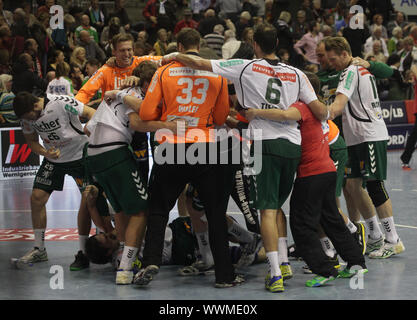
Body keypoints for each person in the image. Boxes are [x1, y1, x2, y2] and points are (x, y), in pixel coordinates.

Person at [161, 23, 330, 292]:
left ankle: (274, 273)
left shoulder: (245, 65)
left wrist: (171, 57)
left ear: (255, 45)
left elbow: (202, 63)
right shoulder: (298, 73)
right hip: (292, 147)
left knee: (267, 209)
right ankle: (284, 261)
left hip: (263, 143)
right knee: (277, 207)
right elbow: (321, 111)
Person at [134, 28, 242, 289]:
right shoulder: (215, 73)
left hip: (172, 147)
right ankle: (224, 276)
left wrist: (167, 113)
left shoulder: (163, 72)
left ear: (178, 46)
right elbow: (219, 118)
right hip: (206, 147)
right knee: (216, 213)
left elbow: (147, 113)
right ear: (199, 45)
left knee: (159, 208)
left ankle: (151, 261)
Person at [243, 72, 367, 287]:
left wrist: (256, 112)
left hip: (311, 174)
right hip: (327, 169)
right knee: (331, 219)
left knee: (301, 224)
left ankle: (324, 269)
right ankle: (356, 262)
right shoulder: (318, 107)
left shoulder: (302, 107)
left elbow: (283, 116)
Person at [82, 60, 180, 284]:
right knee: (141, 209)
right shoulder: (136, 95)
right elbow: (137, 124)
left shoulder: (116, 95)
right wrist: (170, 126)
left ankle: (126, 257)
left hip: (94, 156)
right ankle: (126, 268)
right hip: (114, 153)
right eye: (154, 84)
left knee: (122, 209)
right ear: (147, 82)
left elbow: (88, 128)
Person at [326, 37, 405, 259]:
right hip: (357, 138)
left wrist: (321, 114)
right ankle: (375, 235)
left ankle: (393, 240)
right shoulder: (357, 70)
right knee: (352, 186)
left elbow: (339, 106)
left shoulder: (351, 71)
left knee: (375, 186)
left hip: (369, 136)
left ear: (344, 53)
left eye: (333, 59)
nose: (331, 63)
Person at [10, 91, 96, 267]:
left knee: (88, 202)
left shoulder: (60, 102)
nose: (30, 122)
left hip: (80, 155)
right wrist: (45, 152)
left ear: (36, 106)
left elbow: (90, 113)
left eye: (30, 117)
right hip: (54, 159)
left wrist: (91, 133)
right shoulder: (26, 117)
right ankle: (39, 249)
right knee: (36, 198)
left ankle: (83, 252)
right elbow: (32, 141)